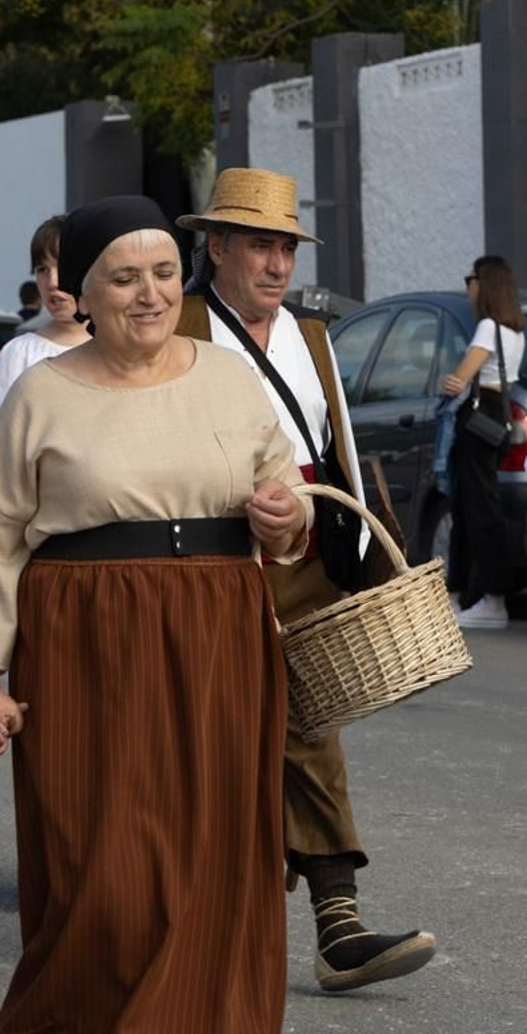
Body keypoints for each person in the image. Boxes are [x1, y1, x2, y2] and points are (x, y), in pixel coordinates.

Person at [0, 195, 311, 1032]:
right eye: (123, 277)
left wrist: (285, 517)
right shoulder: (40, 393)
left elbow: (289, 493)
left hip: (221, 633)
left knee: (216, 859)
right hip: (87, 642)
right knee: (103, 876)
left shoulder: (229, 374)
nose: (149, 293)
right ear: (82, 290)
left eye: (161, 272)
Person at [176, 167, 438, 992]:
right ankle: (231, 915)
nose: (277, 263)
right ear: (215, 246)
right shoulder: (176, 324)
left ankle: (336, 920)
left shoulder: (312, 337)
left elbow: (341, 454)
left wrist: (358, 546)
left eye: (286, 245)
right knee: (214, 738)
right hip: (203, 555)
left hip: (302, 553)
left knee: (308, 719)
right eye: (259, 243)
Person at [0, 214, 87, 535]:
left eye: (63, 266)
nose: (53, 282)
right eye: (42, 270)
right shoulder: (19, 353)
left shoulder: (117, 350)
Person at [439, 254, 527, 630]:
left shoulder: (488, 327)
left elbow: (460, 379)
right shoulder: (515, 332)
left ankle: (491, 600)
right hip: (497, 414)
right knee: (473, 505)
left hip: (478, 416)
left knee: (475, 508)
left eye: (470, 279)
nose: (467, 287)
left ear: (484, 283)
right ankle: (469, 595)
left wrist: (449, 380)